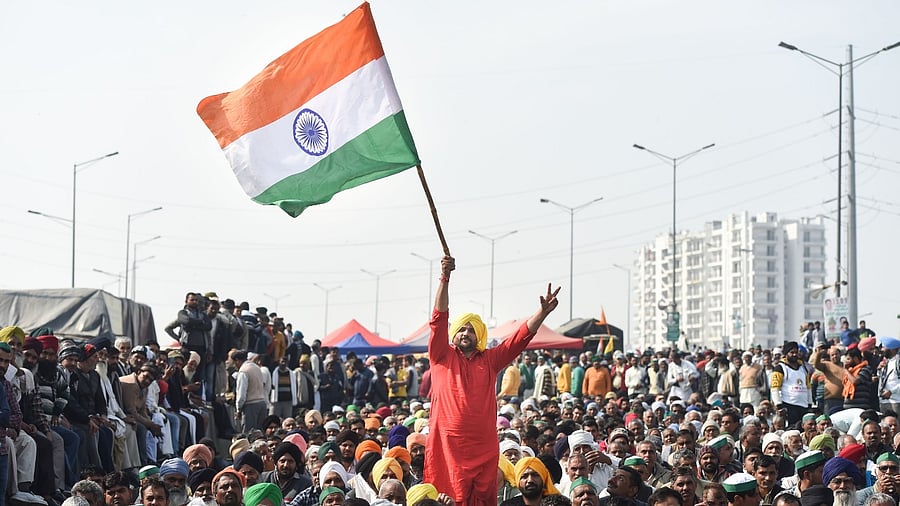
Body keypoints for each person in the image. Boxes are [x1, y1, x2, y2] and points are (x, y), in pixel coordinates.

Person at [424, 255, 560, 505]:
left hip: (483, 446)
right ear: (453, 334)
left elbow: (518, 339)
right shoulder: (440, 354)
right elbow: (438, 318)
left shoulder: (489, 359)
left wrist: (542, 312)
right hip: (448, 446)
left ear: (481, 336)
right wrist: (445, 278)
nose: (466, 333)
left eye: (472, 329)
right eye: (462, 328)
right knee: (447, 500)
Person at [771, 341, 813, 425]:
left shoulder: (803, 368)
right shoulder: (780, 368)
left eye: (796, 352)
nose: (794, 355)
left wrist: (809, 403)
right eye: (792, 352)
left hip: (803, 405)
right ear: (786, 354)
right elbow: (775, 388)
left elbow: (808, 387)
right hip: (789, 405)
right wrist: (778, 405)